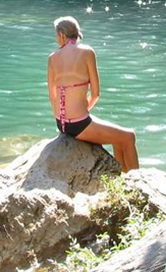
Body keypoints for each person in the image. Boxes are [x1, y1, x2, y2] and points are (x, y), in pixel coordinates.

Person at [46, 16, 139, 172]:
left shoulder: (52, 58)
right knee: (129, 137)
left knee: (118, 138)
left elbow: (52, 96)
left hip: (61, 124)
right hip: (78, 124)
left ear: (61, 35)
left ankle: (123, 178)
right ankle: (139, 183)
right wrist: (83, 110)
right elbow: (96, 93)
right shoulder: (87, 52)